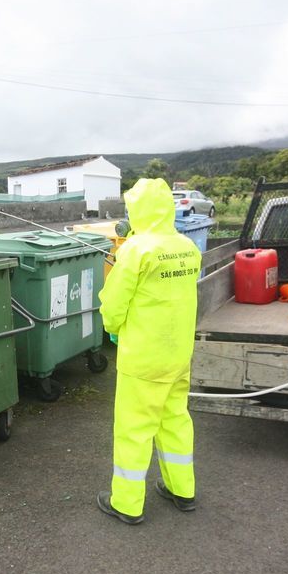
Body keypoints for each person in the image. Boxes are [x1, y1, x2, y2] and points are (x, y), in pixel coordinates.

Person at [96, 177, 202, 524]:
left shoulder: (135, 250)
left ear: (137, 210)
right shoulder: (188, 247)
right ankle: (181, 489)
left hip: (143, 357)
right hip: (178, 354)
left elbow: (113, 306)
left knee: (134, 429)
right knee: (175, 420)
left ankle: (126, 503)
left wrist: (112, 330)